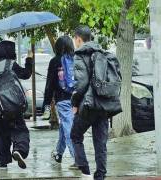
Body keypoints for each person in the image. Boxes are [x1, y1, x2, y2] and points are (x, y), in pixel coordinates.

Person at [0, 40, 33, 169]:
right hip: (13, 106)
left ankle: (2, 163)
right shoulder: (11, 64)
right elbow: (26, 74)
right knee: (20, 131)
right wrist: (29, 59)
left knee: (0, 135)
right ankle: (19, 150)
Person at [71, 25, 109, 180]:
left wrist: (74, 103)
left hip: (88, 105)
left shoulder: (80, 55)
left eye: (75, 39)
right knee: (100, 143)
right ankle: (100, 176)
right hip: (104, 104)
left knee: (75, 135)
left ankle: (85, 172)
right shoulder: (103, 53)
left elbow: (81, 84)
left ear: (78, 39)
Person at [43, 35, 76, 166]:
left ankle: (78, 159)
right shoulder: (75, 59)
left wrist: (46, 103)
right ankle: (58, 153)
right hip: (76, 99)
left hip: (62, 100)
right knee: (65, 126)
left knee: (68, 129)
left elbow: (49, 84)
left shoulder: (55, 61)